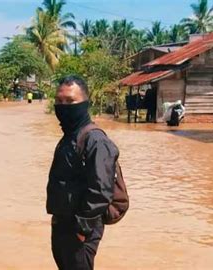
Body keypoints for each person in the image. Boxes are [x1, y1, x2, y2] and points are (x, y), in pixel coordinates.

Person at [47, 75, 119, 270]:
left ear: (86, 103)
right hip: (62, 224)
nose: (63, 106)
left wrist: (82, 229)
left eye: (70, 101)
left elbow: (101, 190)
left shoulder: (95, 140)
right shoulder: (69, 137)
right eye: (59, 101)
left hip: (80, 229)